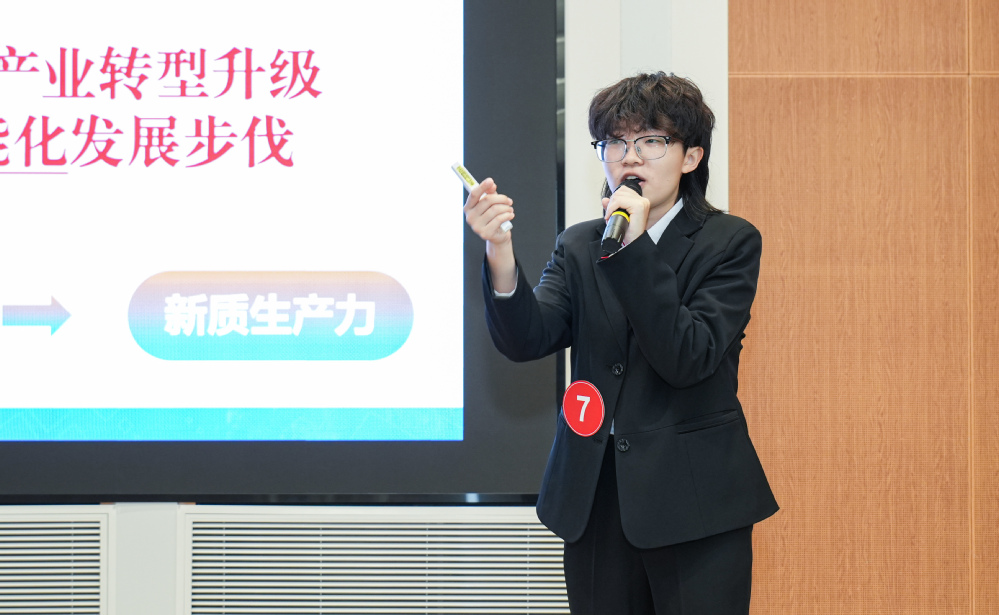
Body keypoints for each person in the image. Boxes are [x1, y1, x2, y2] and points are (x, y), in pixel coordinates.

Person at [463, 72, 778, 614]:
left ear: (691, 156)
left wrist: (632, 248)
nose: (629, 157)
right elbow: (528, 337)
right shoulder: (580, 244)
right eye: (614, 142)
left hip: (695, 500)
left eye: (651, 141)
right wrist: (500, 251)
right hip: (595, 494)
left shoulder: (729, 242)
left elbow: (688, 356)